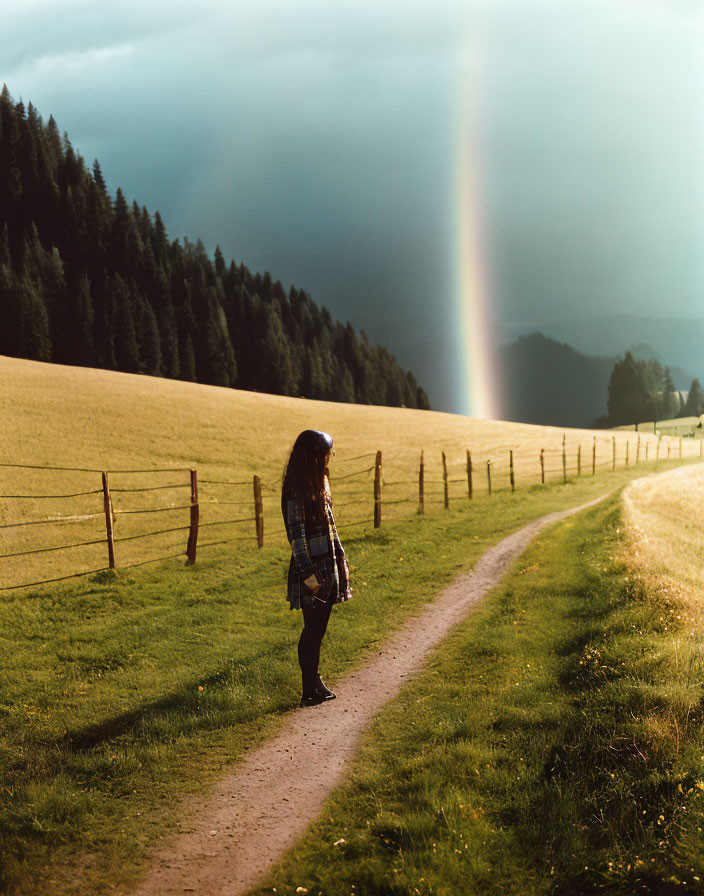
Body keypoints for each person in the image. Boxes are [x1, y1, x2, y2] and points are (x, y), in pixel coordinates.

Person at [281, 429, 352, 707]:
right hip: (312, 570)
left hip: (327, 564)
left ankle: (314, 683)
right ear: (313, 456)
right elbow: (297, 538)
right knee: (312, 629)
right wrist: (309, 576)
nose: (329, 458)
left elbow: (330, 528)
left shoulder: (318, 482)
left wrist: (339, 563)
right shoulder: (295, 490)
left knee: (318, 629)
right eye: (326, 453)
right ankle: (309, 686)